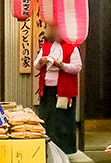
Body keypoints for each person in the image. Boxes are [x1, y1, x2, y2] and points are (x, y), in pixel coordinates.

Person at [33, 22, 82, 154]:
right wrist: (41, 61)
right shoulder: (47, 46)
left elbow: (77, 67)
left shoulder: (72, 48)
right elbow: (35, 65)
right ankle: (49, 147)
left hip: (64, 91)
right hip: (47, 89)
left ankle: (65, 149)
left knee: (63, 120)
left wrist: (61, 65)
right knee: (47, 117)